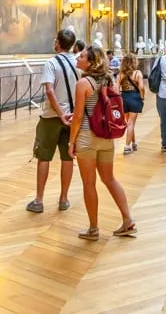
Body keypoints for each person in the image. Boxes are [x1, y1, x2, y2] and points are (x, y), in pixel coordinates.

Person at [68, 45, 136, 240]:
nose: (77, 58)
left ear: (90, 62)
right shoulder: (110, 79)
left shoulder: (83, 83)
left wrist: (71, 142)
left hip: (87, 138)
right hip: (106, 136)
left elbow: (79, 117)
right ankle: (127, 220)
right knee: (109, 179)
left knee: (89, 184)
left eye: (81, 56)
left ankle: (93, 228)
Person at [26, 29, 78, 214]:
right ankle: (63, 199)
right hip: (72, 118)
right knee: (68, 157)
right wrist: (70, 114)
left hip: (51, 117)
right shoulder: (78, 62)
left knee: (44, 157)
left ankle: (39, 200)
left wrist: (60, 113)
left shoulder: (51, 63)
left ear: (58, 43)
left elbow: (49, 90)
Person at [117, 54, 145, 155]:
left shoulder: (120, 74)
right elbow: (141, 87)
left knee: (129, 122)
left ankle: (133, 143)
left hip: (124, 98)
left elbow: (116, 90)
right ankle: (127, 146)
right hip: (135, 98)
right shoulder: (137, 73)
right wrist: (142, 97)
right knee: (131, 123)